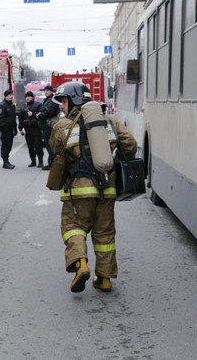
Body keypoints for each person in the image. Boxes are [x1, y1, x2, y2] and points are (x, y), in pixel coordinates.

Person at [49, 81, 137, 294]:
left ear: (73, 100)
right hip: (107, 189)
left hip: (78, 191)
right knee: (105, 234)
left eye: (64, 101)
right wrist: (115, 161)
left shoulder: (63, 126)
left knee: (73, 227)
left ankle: (81, 264)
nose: (62, 106)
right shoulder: (110, 121)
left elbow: (55, 148)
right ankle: (105, 279)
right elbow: (131, 145)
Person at [36, 85, 60, 170]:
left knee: (50, 145)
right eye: (45, 90)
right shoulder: (48, 100)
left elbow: (47, 111)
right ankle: (51, 163)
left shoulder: (52, 101)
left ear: (51, 91)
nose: (45, 92)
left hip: (49, 125)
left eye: (47, 90)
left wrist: (39, 115)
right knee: (49, 145)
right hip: (46, 125)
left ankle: (52, 164)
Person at [18, 91, 44, 167]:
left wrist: (33, 114)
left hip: (36, 128)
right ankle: (33, 161)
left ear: (32, 97)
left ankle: (40, 161)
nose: (27, 98)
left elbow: (41, 116)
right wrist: (20, 129)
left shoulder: (38, 105)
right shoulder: (23, 107)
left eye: (29, 96)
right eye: (26, 96)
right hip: (27, 129)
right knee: (30, 146)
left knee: (38, 145)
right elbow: (20, 119)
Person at [0, 89, 17, 169]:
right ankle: (5, 162)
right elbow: (0, 119)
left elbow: (13, 118)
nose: (11, 96)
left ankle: (7, 161)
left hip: (10, 130)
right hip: (6, 130)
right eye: (9, 95)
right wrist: (4, 129)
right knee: (5, 146)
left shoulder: (11, 105)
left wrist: (15, 128)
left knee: (9, 145)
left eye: (12, 95)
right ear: (6, 96)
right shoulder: (2, 105)